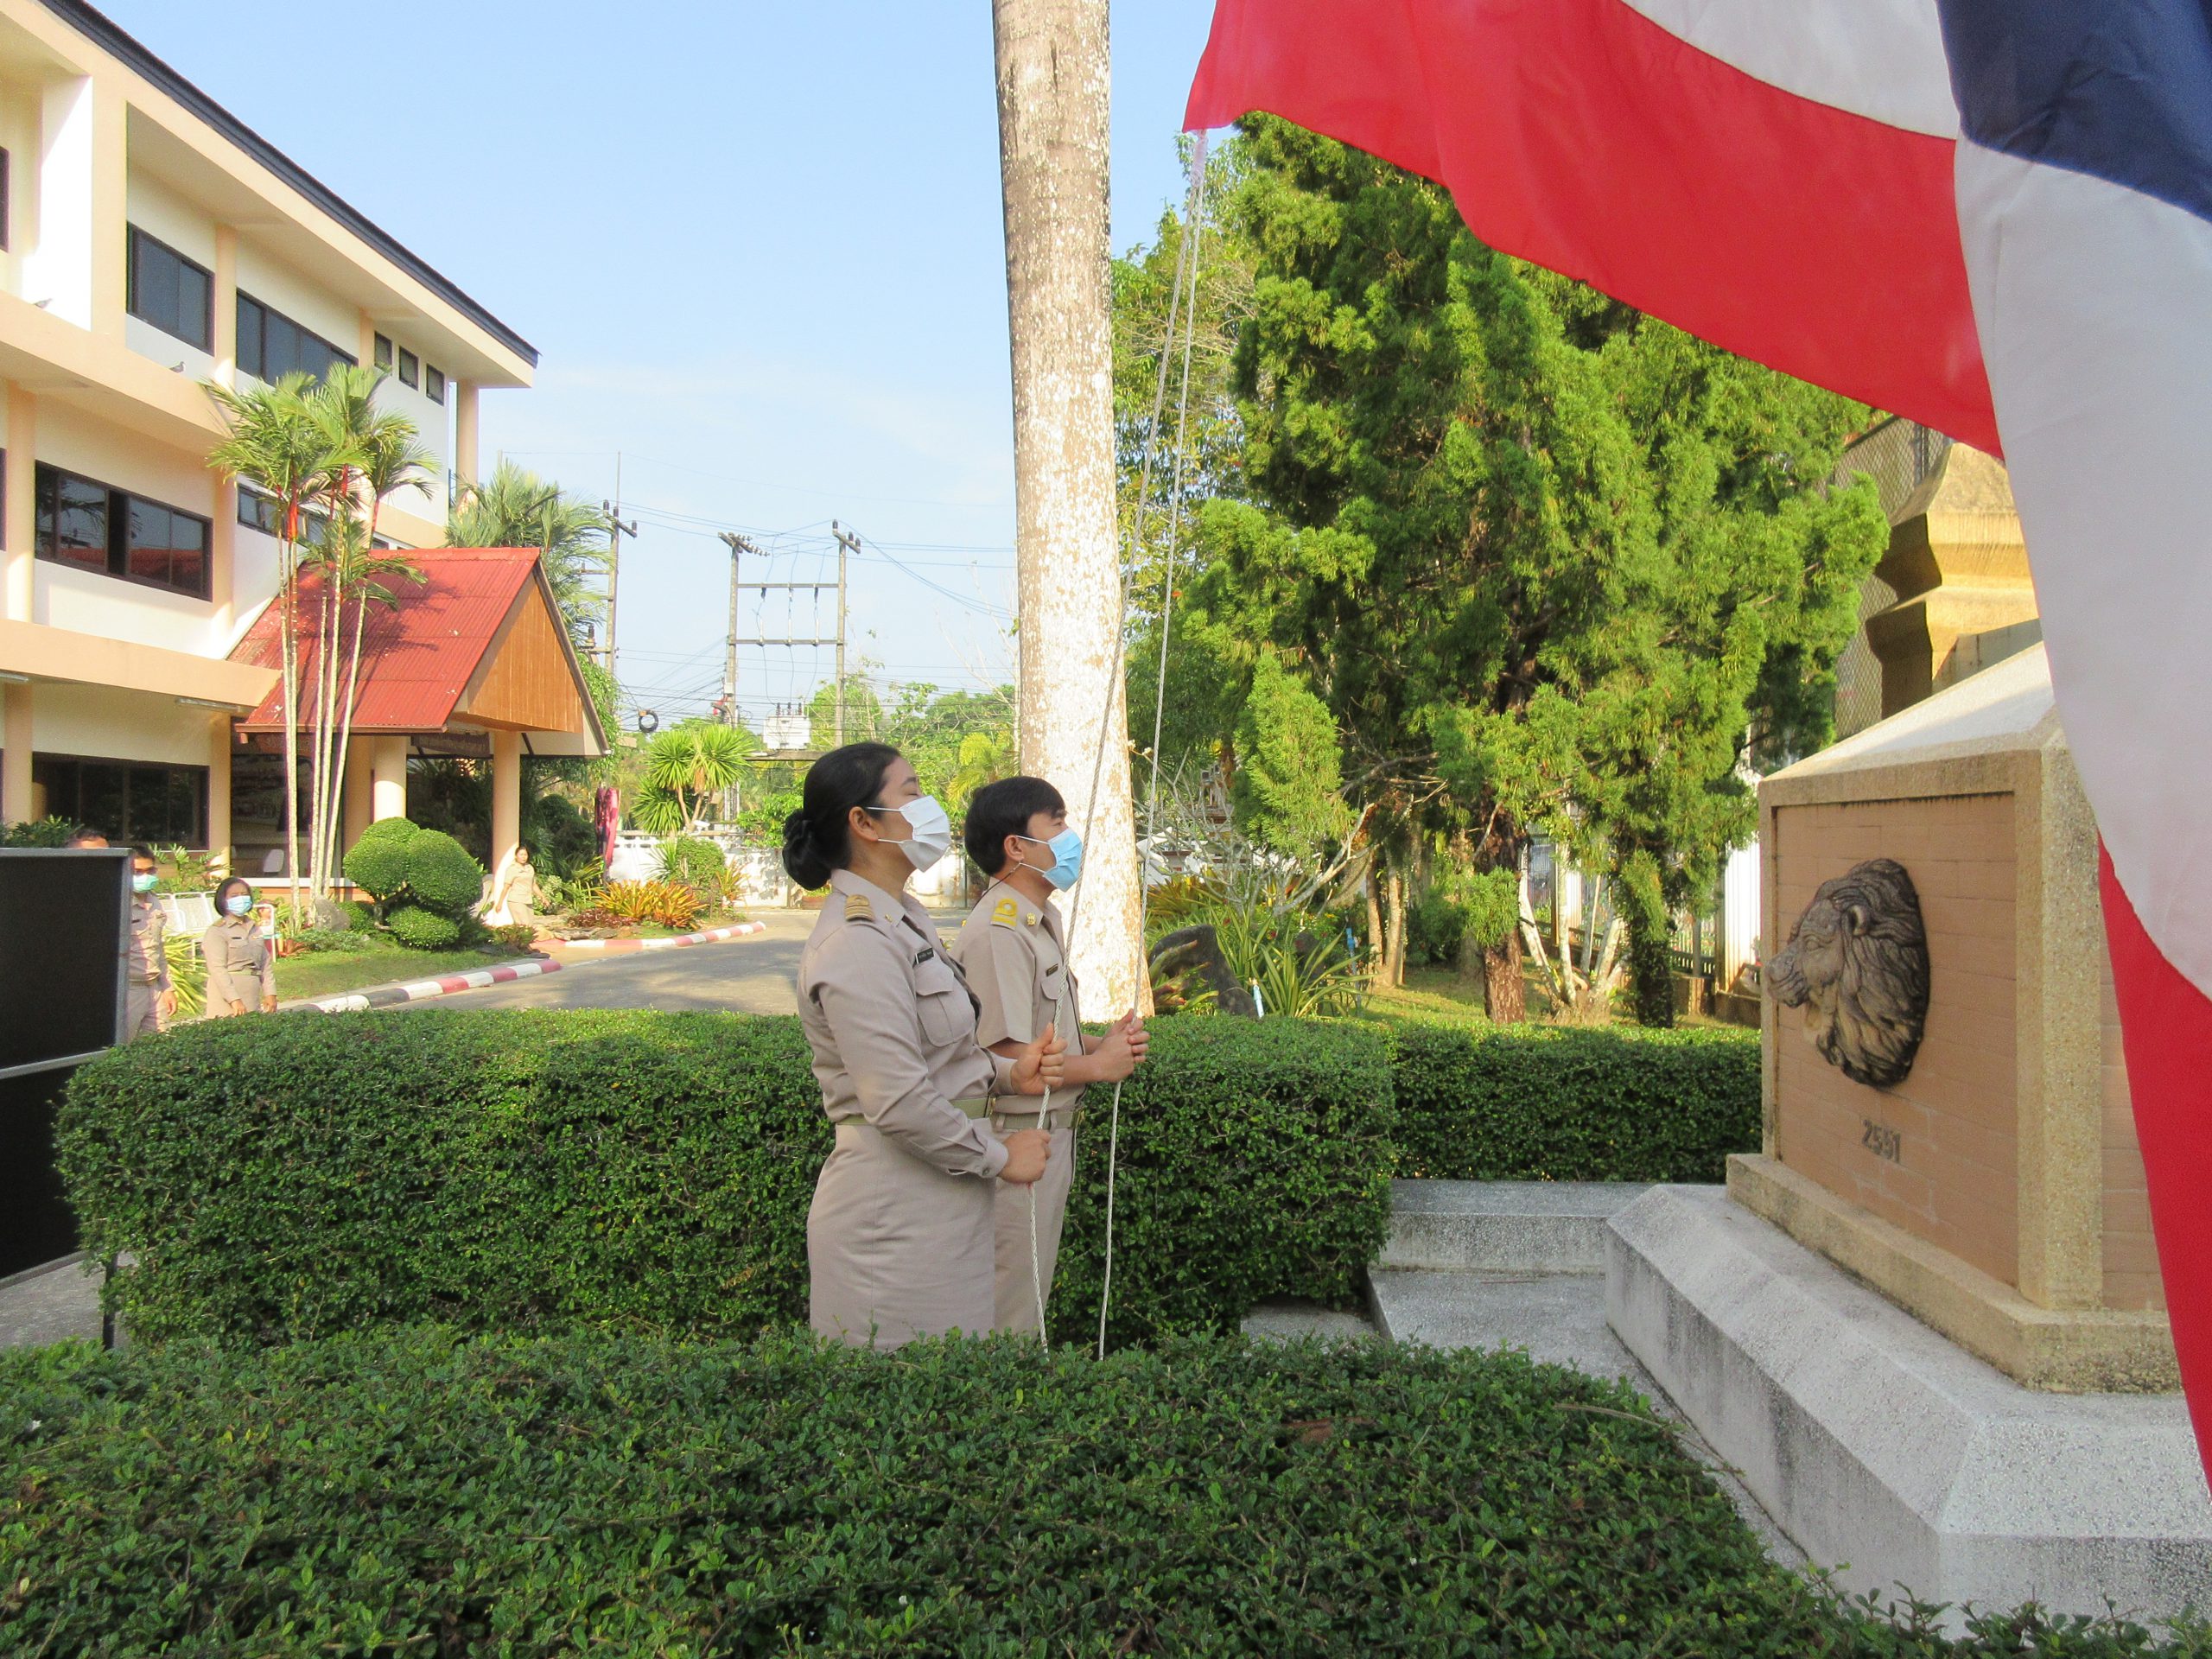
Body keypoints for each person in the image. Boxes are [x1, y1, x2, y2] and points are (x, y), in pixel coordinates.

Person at [785, 741, 1065, 1348]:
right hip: (892, 1219)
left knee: (956, 1380)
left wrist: (1008, 1074)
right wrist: (1001, 1156)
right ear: (864, 823)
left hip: (943, 1204)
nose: (929, 806)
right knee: (905, 1392)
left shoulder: (902, 917)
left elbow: (939, 1055)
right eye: (911, 793)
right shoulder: (857, 940)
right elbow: (897, 1099)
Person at [952, 776, 1147, 1333]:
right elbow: (1007, 1056)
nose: (1069, 836)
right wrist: (1099, 1067)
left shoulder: (1038, 918)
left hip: (1046, 1135)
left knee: (1027, 1293)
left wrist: (1102, 1044)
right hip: (1017, 1139)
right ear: (1016, 846)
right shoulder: (1000, 929)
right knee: (1010, 1303)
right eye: (1056, 823)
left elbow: (1043, 1033)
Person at [112, 845, 175, 1042]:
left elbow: (158, 948)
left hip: (154, 987)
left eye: (149, 871)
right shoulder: (119, 903)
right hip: (128, 989)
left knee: (159, 1046)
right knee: (122, 1047)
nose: (144, 876)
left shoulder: (155, 902)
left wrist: (168, 987)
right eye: (137, 872)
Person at [200, 874, 276, 1018]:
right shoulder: (217, 931)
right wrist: (234, 999)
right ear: (223, 900)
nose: (241, 899)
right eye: (234, 896)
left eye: (244, 894)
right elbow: (217, 969)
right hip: (226, 997)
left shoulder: (254, 928)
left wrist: (270, 993)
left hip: (252, 993)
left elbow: (265, 964)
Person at [483, 844, 539, 928]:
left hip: (528, 900)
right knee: (524, 925)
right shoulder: (512, 869)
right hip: (516, 900)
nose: (523, 857)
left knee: (530, 925)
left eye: (525, 855)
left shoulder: (530, 868)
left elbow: (533, 884)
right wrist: (499, 904)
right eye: (521, 855)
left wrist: (543, 897)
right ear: (516, 856)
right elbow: (506, 887)